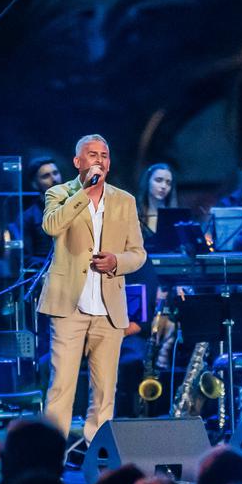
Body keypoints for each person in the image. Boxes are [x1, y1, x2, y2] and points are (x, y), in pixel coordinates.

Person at [39, 134, 147, 444]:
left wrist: (116, 261)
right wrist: (83, 194)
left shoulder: (124, 200)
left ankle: (98, 458)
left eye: (104, 155)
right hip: (68, 306)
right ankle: (51, 458)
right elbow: (52, 226)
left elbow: (138, 253)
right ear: (77, 162)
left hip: (109, 308)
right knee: (61, 387)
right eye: (92, 154)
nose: (99, 159)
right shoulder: (59, 193)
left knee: (104, 392)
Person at [11, 158, 61, 259]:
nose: (54, 179)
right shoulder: (27, 218)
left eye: (55, 173)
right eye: (46, 176)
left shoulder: (76, 206)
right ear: (35, 184)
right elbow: (25, 258)